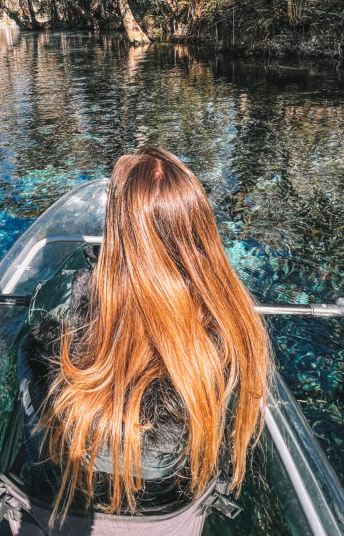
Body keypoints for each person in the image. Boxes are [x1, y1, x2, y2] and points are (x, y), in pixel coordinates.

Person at [19, 146, 271, 516]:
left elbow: (40, 326)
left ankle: (40, 468)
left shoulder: (77, 300)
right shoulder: (235, 323)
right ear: (197, 230)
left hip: (83, 467)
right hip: (169, 492)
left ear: (119, 230)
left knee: (30, 347)